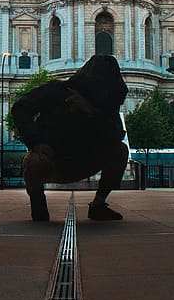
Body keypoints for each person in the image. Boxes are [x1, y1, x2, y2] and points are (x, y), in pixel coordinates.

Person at [11, 54, 129, 222]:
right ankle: (39, 207)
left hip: (86, 161)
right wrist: (35, 143)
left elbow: (117, 136)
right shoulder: (56, 90)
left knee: (120, 151)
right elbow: (20, 108)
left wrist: (91, 111)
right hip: (53, 161)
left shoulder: (104, 104)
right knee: (35, 161)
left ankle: (98, 205)